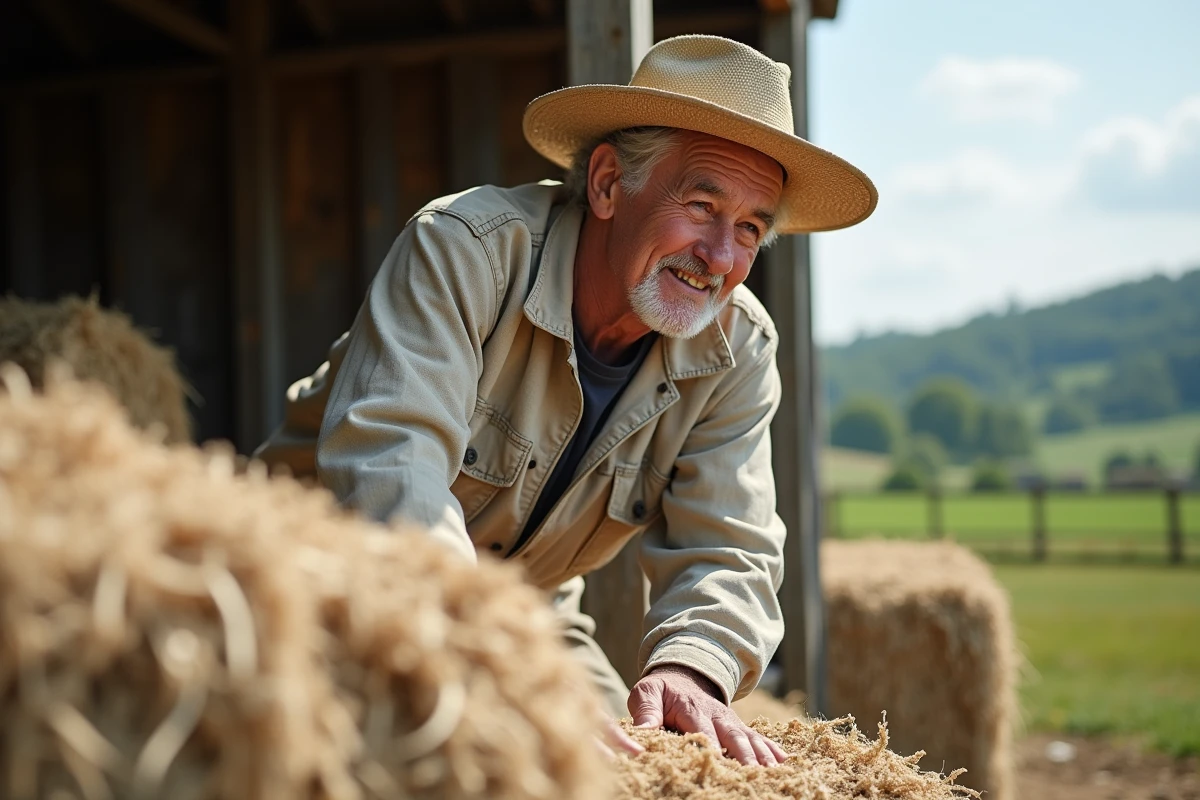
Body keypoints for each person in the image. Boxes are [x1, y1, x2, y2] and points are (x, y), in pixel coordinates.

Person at [256, 34, 876, 766]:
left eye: (749, 228)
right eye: (702, 203)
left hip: (528, 614)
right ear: (610, 184)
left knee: (635, 767)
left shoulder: (739, 348)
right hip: (310, 577)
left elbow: (731, 544)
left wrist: (691, 666)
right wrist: (500, 670)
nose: (719, 257)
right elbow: (394, 473)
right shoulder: (467, 250)